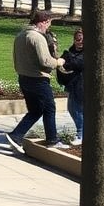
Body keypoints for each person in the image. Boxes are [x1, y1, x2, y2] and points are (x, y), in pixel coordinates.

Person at [5, 10, 67, 153]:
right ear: (43, 22)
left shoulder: (20, 35)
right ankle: (53, 140)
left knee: (36, 110)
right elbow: (46, 61)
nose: (48, 28)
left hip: (23, 78)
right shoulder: (37, 38)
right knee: (50, 108)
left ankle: (15, 136)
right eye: (48, 24)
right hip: (38, 79)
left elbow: (16, 58)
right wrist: (59, 62)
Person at [59, 28, 85, 145]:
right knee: (73, 109)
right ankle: (82, 133)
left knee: (77, 110)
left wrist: (65, 61)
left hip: (81, 86)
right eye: (77, 39)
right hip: (72, 84)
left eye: (82, 40)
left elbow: (77, 64)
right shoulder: (71, 51)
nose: (79, 42)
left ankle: (81, 135)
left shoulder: (86, 53)